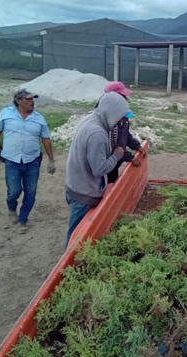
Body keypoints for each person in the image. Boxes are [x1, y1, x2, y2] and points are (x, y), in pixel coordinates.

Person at [64, 91, 132, 248]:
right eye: (120, 116)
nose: (121, 121)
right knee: (76, 238)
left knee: (79, 233)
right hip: (83, 194)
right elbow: (99, 169)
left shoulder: (91, 120)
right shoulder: (97, 134)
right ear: (112, 113)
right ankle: (66, 269)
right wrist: (116, 155)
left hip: (75, 185)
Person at [0, 88, 55, 234]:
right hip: (12, 161)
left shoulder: (39, 118)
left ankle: (22, 219)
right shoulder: (6, 114)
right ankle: (12, 209)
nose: (32, 102)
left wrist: (51, 160)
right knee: (14, 191)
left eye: (33, 99)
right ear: (19, 101)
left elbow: (46, 139)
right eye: (29, 99)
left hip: (32, 161)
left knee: (30, 192)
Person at [101, 81, 147, 183]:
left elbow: (126, 135)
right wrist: (129, 157)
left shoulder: (123, 117)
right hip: (107, 166)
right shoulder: (109, 122)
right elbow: (113, 147)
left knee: (113, 184)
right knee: (107, 188)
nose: (125, 100)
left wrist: (136, 146)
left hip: (116, 163)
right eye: (122, 97)